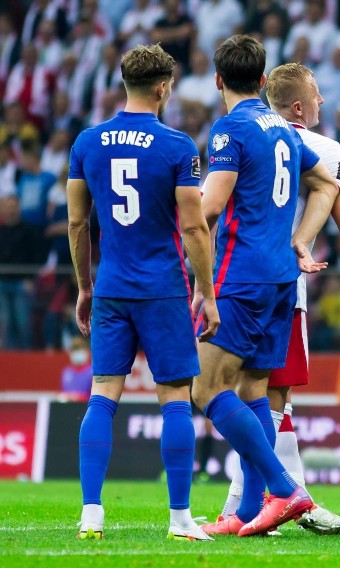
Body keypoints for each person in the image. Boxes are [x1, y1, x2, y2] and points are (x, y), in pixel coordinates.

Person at [215, 62, 340, 535]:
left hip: (232, 277)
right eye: (316, 96)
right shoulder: (322, 149)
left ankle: (257, 504)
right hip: (283, 287)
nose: (323, 103)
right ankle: (283, 498)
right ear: (298, 106)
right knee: (269, 398)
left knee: (249, 395)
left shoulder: (238, 133)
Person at [66, 43, 219, 541]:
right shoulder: (177, 146)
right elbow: (195, 229)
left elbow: (76, 221)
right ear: (162, 88)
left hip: (110, 286)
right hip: (160, 289)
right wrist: (206, 289)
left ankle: (91, 512)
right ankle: (179, 519)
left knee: (102, 395)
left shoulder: (87, 142)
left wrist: (85, 286)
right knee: (175, 397)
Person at [189, 35, 339, 538]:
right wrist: (301, 238)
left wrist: (198, 279)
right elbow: (328, 185)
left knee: (205, 388)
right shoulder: (282, 129)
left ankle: (284, 488)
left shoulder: (230, 130)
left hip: (242, 276)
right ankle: (253, 510)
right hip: (280, 278)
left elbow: (208, 208)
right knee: (253, 388)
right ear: (261, 80)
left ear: (217, 81)